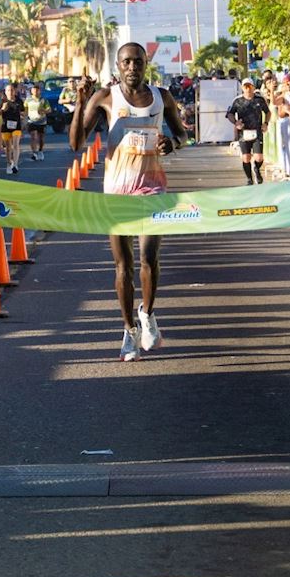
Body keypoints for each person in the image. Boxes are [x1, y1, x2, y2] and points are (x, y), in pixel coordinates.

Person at [69, 43, 189, 362]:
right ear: (118, 66)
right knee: (123, 265)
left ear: (146, 63)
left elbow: (182, 134)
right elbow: (75, 142)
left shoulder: (162, 97)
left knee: (149, 257)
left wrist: (171, 143)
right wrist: (81, 101)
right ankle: (128, 330)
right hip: (117, 190)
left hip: (153, 187)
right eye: (126, 62)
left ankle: (147, 314)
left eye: (138, 61)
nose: (132, 66)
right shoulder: (106, 98)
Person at [226, 77, 270, 185]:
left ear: (254, 87)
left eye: (250, 86)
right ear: (242, 88)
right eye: (245, 87)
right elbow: (229, 114)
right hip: (244, 133)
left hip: (257, 132)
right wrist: (236, 123)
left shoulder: (259, 99)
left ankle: (257, 169)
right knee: (246, 157)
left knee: (259, 157)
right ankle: (249, 179)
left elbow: (268, 112)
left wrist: (265, 123)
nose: (248, 89)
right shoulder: (237, 101)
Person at [0, 81, 25, 175]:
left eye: (12, 90)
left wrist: (23, 118)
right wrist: (2, 109)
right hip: (6, 126)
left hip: (16, 126)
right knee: (8, 147)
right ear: (5, 92)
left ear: (15, 91)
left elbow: (23, 113)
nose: (10, 92)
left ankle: (15, 164)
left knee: (16, 144)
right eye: (8, 90)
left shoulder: (19, 101)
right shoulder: (2, 101)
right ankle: (9, 163)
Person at [25, 82, 49, 161]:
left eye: (37, 90)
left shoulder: (43, 100)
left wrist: (44, 110)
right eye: (34, 90)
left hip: (41, 121)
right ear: (31, 91)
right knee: (33, 136)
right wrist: (23, 118)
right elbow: (25, 110)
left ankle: (40, 151)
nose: (35, 91)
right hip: (31, 121)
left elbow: (49, 110)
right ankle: (34, 153)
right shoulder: (28, 100)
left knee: (41, 138)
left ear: (39, 91)